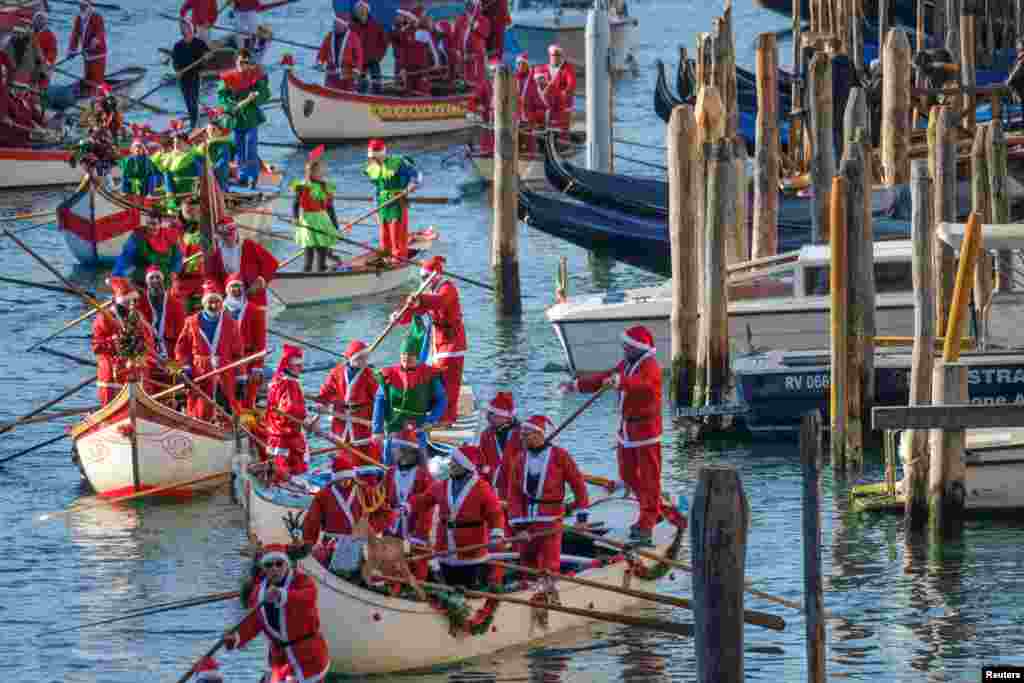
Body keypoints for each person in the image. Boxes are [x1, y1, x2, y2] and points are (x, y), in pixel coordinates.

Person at [561, 325, 661, 545]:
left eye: (627, 346)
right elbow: (605, 377)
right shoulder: (626, 363)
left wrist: (620, 382)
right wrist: (577, 385)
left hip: (646, 431)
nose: (623, 349)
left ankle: (647, 521)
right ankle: (649, 505)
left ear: (638, 348)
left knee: (649, 478)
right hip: (627, 430)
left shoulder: (650, 366)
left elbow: (643, 384)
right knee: (626, 474)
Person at [223, 544, 331, 683]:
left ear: (287, 565)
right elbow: (254, 623)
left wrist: (281, 595)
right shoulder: (258, 593)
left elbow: (307, 597)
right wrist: (236, 637)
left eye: (279, 564)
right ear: (264, 568)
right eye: (269, 565)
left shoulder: (302, 581)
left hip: (307, 657)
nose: (274, 568)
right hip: (279, 659)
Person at [410, 443, 504, 588]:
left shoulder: (483, 489)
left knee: (468, 590)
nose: (450, 464)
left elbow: (495, 514)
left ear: (465, 466)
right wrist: (406, 506)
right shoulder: (441, 485)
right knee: (448, 587)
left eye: (455, 462)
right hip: (444, 548)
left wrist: (496, 533)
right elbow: (424, 501)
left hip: (471, 550)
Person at [505, 414, 589, 571]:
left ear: (539, 434)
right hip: (526, 522)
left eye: (525, 435)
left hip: (551, 522)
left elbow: (579, 486)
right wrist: (519, 527)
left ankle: (549, 590)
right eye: (521, 435)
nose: (521, 439)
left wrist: (582, 518)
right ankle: (527, 590)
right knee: (526, 562)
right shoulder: (519, 459)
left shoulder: (560, 456)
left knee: (550, 563)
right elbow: (514, 495)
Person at [402, 255, 466, 426]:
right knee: (437, 378)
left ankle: (447, 418)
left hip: (452, 340)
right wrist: (400, 316)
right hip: (437, 341)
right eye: (421, 277)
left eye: (425, 277)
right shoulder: (428, 291)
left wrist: (419, 300)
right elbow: (418, 309)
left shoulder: (447, 287)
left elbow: (439, 302)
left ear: (435, 276)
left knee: (449, 381)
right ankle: (436, 412)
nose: (423, 280)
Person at [205, 215, 277, 362]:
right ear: (220, 236)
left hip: (253, 298)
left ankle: (257, 366)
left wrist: (261, 279)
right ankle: (235, 364)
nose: (229, 237)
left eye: (231, 233)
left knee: (257, 336)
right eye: (224, 234)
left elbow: (271, 263)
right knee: (232, 334)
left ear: (236, 232)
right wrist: (217, 293)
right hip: (230, 301)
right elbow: (211, 276)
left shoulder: (249, 245)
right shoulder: (217, 253)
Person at [175, 279, 244, 422]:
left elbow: (238, 353)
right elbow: (182, 348)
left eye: (217, 302)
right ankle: (200, 425)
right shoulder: (191, 321)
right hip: (201, 371)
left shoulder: (231, 323)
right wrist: (185, 368)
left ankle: (226, 428)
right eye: (210, 302)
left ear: (221, 303)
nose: (214, 305)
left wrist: (240, 377)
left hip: (225, 370)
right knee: (200, 407)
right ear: (204, 303)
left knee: (226, 407)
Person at [371, 334, 446, 463]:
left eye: (410, 358)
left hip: (418, 426)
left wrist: (431, 420)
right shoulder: (389, 374)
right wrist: (377, 429)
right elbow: (380, 401)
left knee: (419, 461)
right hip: (394, 425)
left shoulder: (429, 374)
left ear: (417, 357)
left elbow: (441, 400)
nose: (406, 361)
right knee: (390, 463)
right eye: (403, 357)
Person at [301, 451, 373, 574]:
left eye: (347, 479)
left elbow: (385, 513)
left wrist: (372, 527)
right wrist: (308, 543)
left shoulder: (365, 490)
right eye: (341, 479)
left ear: (352, 477)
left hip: (359, 542)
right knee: (334, 571)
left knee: (359, 572)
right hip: (333, 543)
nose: (344, 482)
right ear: (335, 479)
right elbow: (312, 521)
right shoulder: (323, 495)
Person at [377, 422, 433, 579]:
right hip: (393, 525)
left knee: (417, 559)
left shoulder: (424, 477)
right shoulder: (390, 473)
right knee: (388, 558)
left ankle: (417, 584)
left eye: (397, 449)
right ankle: (390, 581)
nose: (393, 452)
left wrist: (421, 533)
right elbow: (381, 498)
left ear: (409, 453)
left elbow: (428, 507)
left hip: (415, 526)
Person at [92, 277, 156, 406]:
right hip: (113, 368)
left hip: (136, 367)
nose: (131, 304)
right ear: (119, 301)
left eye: (134, 300)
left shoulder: (138, 317)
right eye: (127, 301)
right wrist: (116, 340)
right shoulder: (104, 318)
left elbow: (149, 341)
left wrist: (141, 344)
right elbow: (97, 347)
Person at [317, 339, 380, 462]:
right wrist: (321, 404)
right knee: (342, 448)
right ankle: (343, 473)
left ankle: (363, 476)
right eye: (360, 358)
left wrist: (379, 422)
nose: (363, 361)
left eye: (365, 358)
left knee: (362, 448)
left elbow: (378, 399)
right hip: (340, 416)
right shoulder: (336, 372)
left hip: (361, 418)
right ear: (350, 358)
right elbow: (326, 391)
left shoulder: (369, 375)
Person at [218, 48, 270, 188]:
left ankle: (253, 176)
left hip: (251, 118)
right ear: (236, 62)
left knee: (250, 146)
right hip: (235, 119)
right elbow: (222, 98)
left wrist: (255, 96)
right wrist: (233, 105)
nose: (243, 65)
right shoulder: (227, 78)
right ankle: (242, 176)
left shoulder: (254, 76)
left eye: (246, 62)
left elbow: (265, 94)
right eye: (241, 62)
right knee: (239, 148)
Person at [364, 138, 420, 261]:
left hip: (398, 202)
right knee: (384, 236)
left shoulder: (398, 162)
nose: (374, 160)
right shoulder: (373, 168)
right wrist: (375, 207)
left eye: (375, 158)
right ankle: (386, 258)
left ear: (382, 154)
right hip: (382, 204)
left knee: (397, 234)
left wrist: (411, 187)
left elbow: (417, 176)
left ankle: (398, 259)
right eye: (372, 158)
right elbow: (378, 189)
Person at [264, 344, 314, 481]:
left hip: (275, 433)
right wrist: (307, 420)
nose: (301, 368)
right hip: (288, 435)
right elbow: (292, 409)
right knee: (295, 471)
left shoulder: (276, 380)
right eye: (298, 365)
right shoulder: (290, 383)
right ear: (289, 365)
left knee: (278, 468)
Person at [291, 145, 341, 273]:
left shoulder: (325, 187)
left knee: (322, 247)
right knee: (309, 248)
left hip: (322, 220)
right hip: (307, 220)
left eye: (322, 171)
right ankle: (306, 271)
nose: (322, 174)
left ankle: (321, 269)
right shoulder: (302, 187)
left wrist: (335, 225)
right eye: (319, 172)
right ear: (310, 173)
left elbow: (330, 207)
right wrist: (295, 217)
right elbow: (295, 204)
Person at [224, 272, 265, 408]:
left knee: (247, 398)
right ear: (227, 289)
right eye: (233, 286)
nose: (236, 290)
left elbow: (260, 342)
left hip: (247, 359)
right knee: (226, 396)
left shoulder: (254, 310)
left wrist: (257, 367)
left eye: (239, 286)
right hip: (226, 360)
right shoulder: (220, 310)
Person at [112, 213, 183, 288]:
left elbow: (177, 257)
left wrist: (174, 271)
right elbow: (125, 257)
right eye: (148, 224)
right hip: (143, 276)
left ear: (160, 224)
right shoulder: (137, 236)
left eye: (154, 224)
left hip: (166, 277)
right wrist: (117, 275)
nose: (150, 227)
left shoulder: (170, 236)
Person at [137, 265, 186, 362]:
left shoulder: (176, 304)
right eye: (151, 278)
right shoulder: (139, 303)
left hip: (169, 349)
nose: (155, 280)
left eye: (157, 277)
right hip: (147, 351)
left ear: (163, 280)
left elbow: (181, 335)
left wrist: (179, 358)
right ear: (147, 282)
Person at [478, 391, 519, 495]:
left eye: (492, 414)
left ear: (505, 417)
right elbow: (481, 462)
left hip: (516, 489)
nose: (487, 417)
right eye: (488, 413)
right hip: (493, 489)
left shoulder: (523, 435)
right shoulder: (486, 435)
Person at [171, 19, 210, 130]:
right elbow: (175, 62)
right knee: (189, 102)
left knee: (194, 101)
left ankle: (194, 124)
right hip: (183, 77)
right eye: (183, 27)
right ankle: (194, 123)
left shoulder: (199, 42)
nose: (185, 29)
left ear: (191, 28)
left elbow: (209, 54)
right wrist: (177, 71)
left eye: (187, 27)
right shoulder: (178, 45)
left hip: (195, 75)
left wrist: (207, 56)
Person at [174, 201, 208, 314]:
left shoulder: (207, 228)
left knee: (199, 316)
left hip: (200, 280)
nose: (192, 213)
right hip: (180, 281)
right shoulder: (174, 229)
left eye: (195, 210)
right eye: (188, 211)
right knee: (180, 315)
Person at [67, 0, 106, 95]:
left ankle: (96, 95)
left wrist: (95, 40)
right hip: (86, 53)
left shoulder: (96, 16)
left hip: (98, 54)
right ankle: (88, 93)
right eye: (80, 5)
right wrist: (72, 50)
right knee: (88, 77)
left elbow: (100, 31)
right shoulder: (79, 18)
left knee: (96, 78)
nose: (82, 8)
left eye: (84, 6)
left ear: (89, 6)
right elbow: (75, 35)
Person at [536, 44, 576, 135]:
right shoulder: (542, 68)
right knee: (547, 128)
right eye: (554, 55)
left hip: (562, 105)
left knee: (562, 130)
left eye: (558, 55)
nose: (556, 57)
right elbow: (538, 84)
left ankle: (563, 142)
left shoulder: (567, 68)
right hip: (548, 105)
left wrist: (562, 95)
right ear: (549, 56)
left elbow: (571, 85)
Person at [159, 119, 203, 201]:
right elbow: (167, 176)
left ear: (186, 143)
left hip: (193, 189)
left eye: (179, 142)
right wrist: (170, 191)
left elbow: (203, 173)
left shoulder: (196, 155)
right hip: (176, 190)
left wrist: (201, 187)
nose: (176, 145)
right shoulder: (170, 159)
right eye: (174, 143)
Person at [318, 14, 363, 91]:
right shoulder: (329, 36)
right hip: (332, 71)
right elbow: (323, 50)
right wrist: (320, 62)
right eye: (335, 23)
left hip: (348, 72)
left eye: (338, 24)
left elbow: (359, 56)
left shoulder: (353, 37)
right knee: (329, 90)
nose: (335, 26)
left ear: (344, 25)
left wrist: (357, 69)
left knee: (348, 92)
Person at [350, 0, 387, 93]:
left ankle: (378, 97)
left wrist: (378, 56)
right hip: (358, 60)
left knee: (377, 82)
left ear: (367, 10)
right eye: (358, 10)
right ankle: (359, 98)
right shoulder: (352, 26)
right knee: (359, 83)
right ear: (356, 12)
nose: (361, 11)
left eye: (363, 9)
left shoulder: (376, 25)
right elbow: (348, 43)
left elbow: (383, 43)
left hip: (373, 59)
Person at [197, 107, 235, 190]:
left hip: (217, 172)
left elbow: (223, 161)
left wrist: (213, 169)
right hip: (207, 171)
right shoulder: (206, 143)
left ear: (220, 132)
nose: (210, 132)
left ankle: (223, 192)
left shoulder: (222, 144)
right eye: (208, 130)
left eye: (213, 130)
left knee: (219, 186)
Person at [453, 0, 489, 85]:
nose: (468, 6)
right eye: (467, 4)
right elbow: (455, 36)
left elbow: (486, 34)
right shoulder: (460, 19)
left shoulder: (483, 20)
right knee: (464, 77)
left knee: (477, 79)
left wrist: (476, 26)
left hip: (476, 57)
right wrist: (457, 50)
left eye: (470, 4)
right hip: (463, 55)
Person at [31, 12, 57, 90]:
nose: (37, 22)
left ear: (45, 22)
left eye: (40, 20)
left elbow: (52, 52)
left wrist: (47, 61)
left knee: (42, 86)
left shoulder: (50, 35)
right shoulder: (31, 33)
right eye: (36, 20)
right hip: (31, 65)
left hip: (43, 66)